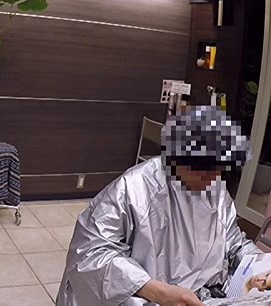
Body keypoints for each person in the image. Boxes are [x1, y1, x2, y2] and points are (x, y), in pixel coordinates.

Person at [57, 106, 262, 306]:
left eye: (218, 171)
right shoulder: (134, 189)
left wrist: (260, 263)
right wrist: (157, 291)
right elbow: (90, 253)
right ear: (177, 158)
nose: (211, 180)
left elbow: (234, 243)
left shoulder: (215, 191)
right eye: (204, 172)